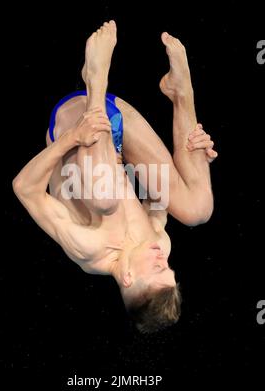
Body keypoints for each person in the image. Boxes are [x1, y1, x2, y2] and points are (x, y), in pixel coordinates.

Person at [13, 21, 217, 333]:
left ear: (127, 278)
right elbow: (157, 192)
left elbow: (24, 187)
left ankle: (96, 80)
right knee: (197, 210)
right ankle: (181, 92)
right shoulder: (159, 243)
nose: (163, 259)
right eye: (170, 269)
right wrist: (197, 160)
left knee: (104, 198)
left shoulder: (88, 247)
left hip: (75, 119)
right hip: (117, 131)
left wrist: (71, 139)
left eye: (157, 269)